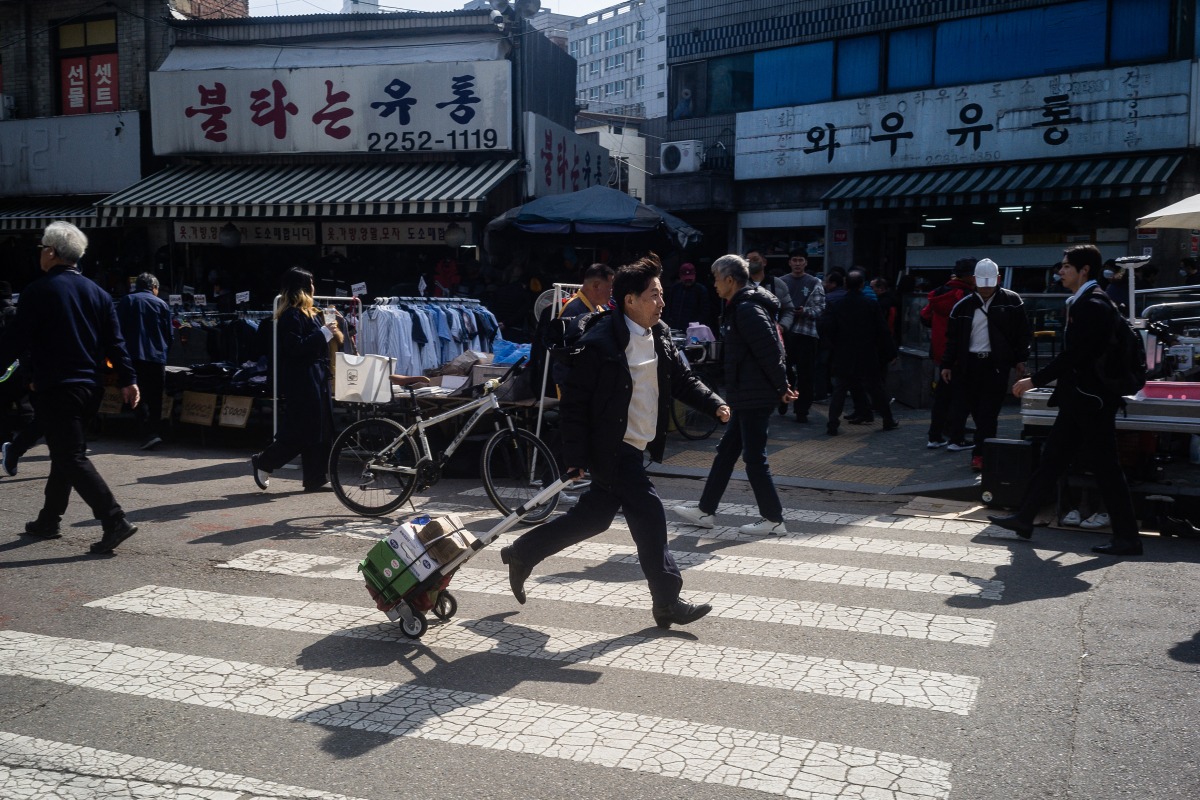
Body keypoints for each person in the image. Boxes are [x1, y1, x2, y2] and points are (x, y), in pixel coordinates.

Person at [499, 254, 729, 628]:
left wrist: (714, 402)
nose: (661, 302)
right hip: (612, 447)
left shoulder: (660, 335)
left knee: (594, 518)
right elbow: (574, 405)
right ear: (630, 301)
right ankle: (667, 601)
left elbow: (684, 379)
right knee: (650, 515)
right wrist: (574, 457)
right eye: (654, 295)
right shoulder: (601, 344)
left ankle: (523, 552)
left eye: (661, 294)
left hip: (635, 446)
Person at [989, 244, 1143, 557]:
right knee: (1053, 458)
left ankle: (1128, 538)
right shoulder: (1086, 301)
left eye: (1066, 267)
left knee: (1106, 469)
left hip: (1092, 400)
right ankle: (1024, 518)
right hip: (1082, 399)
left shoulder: (1092, 304)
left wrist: (1035, 380)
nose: (1060, 272)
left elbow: (1075, 356)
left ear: (1084, 270)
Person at [0, 221, 140, 553]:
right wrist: (128, 379)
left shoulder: (38, 290)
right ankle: (48, 519)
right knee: (64, 453)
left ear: (51, 252)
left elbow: (15, 341)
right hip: (90, 388)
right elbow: (115, 343)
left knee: (70, 455)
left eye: (41, 249)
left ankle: (114, 519)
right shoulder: (99, 293)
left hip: (57, 386)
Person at [673, 254, 797, 535]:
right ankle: (705, 511)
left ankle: (773, 519)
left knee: (754, 458)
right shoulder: (741, 305)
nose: (715, 285)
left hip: (755, 393)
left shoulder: (747, 309)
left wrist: (782, 387)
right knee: (727, 452)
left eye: (717, 279)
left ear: (730, 280)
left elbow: (769, 351)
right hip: (747, 391)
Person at [251, 267, 343, 493]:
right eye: (311, 283)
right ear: (302, 287)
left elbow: (327, 343)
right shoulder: (291, 315)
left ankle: (315, 478)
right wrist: (322, 333)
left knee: (320, 429)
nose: (314, 287)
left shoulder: (310, 313)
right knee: (303, 429)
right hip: (302, 378)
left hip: (317, 376)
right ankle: (265, 461)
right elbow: (295, 348)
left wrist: (331, 329)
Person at [939, 259, 1030, 471]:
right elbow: (952, 338)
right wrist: (947, 364)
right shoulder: (962, 306)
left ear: (998, 279)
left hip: (996, 364)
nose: (986, 286)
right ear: (974, 281)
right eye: (982, 282)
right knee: (975, 411)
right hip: (968, 365)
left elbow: (1023, 333)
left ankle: (981, 453)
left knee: (989, 413)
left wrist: (1020, 359)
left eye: (990, 282)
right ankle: (984, 449)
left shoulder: (1012, 301)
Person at [821, 270, 899, 436]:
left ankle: (832, 424)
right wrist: (891, 352)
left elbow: (826, 328)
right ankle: (888, 420)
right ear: (862, 285)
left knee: (840, 390)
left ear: (845, 284)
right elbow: (882, 330)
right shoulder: (871, 304)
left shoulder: (837, 304)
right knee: (876, 388)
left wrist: (833, 346)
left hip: (843, 352)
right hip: (867, 352)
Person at [920, 258, 975, 448]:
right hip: (960, 353)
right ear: (969, 276)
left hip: (940, 352)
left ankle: (934, 436)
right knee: (962, 397)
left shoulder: (938, 293)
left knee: (942, 397)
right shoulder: (967, 295)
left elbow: (924, 317)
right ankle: (956, 438)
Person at [116, 272, 173, 450]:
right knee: (156, 396)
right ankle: (153, 432)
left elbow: (116, 330)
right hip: (156, 358)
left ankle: (147, 432)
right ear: (154, 287)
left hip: (132, 357)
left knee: (136, 394)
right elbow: (169, 335)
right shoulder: (162, 304)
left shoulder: (126, 301)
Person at [779, 251, 825, 423]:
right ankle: (782, 400)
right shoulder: (782, 281)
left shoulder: (815, 282)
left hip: (806, 333)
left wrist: (805, 311)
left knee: (806, 374)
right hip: (785, 333)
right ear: (789, 263)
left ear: (806, 263)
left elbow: (821, 307)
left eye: (800, 260)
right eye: (794, 260)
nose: (797, 263)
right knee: (784, 371)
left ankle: (802, 410)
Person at [663, 262, 713, 332]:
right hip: (675, 329)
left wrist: (695, 327)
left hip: (693, 330)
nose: (688, 281)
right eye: (686, 279)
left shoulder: (701, 290)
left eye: (690, 278)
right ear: (680, 276)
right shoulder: (675, 289)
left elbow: (705, 313)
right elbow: (668, 309)